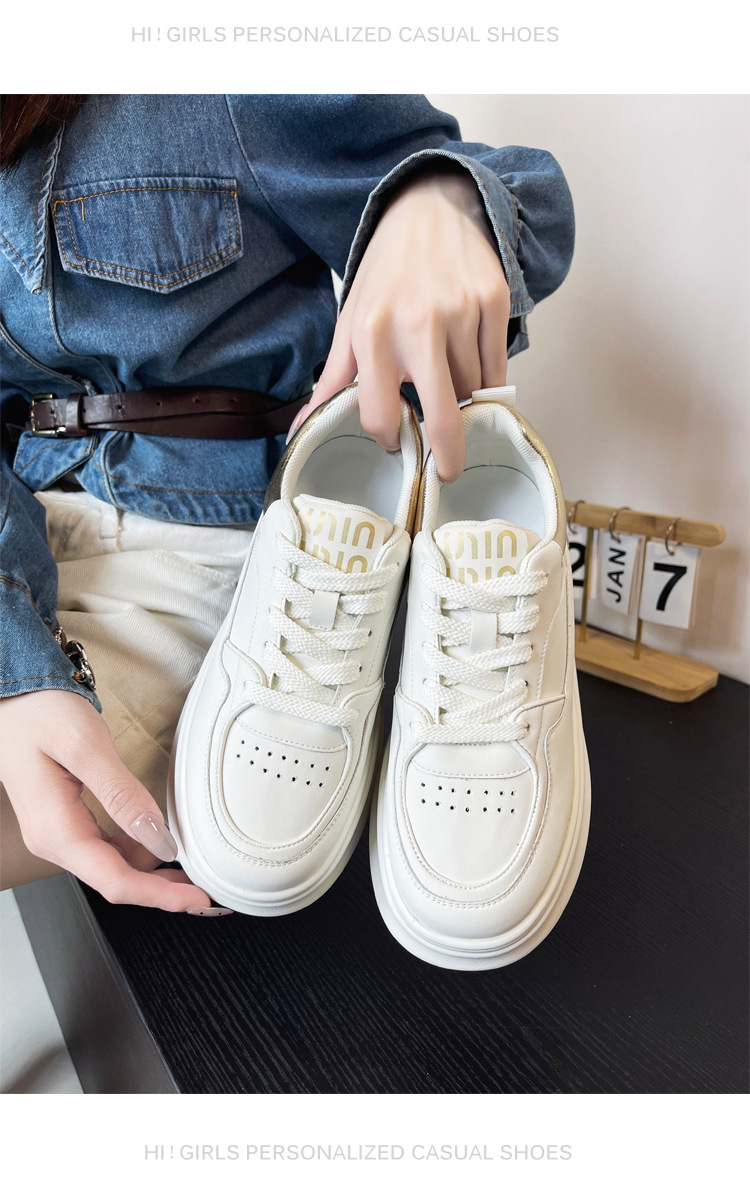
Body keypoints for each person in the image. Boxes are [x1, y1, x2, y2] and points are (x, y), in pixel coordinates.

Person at [0, 94, 575, 912]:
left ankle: (376, 577)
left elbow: (528, 194)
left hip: (193, 543)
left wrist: (441, 200)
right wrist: (14, 666)